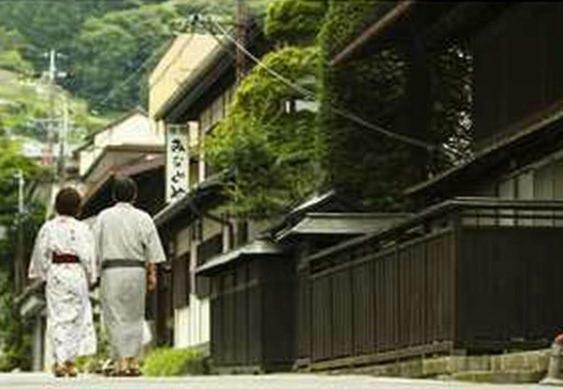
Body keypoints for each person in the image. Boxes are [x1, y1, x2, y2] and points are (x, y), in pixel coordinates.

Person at [95, 175, 165, 376]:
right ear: (134, 195)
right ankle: (132, 362)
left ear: (114, 195)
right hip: (137, 271)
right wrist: (152, 274)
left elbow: (95, 247)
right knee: (135, 316)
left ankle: (121, 363)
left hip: (111, 271)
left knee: (115, 317)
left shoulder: (103, 217)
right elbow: (152, 250)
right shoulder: (144, 217)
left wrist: (93, 272)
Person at [28, 187, 97, 378]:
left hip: (57, 273)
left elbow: (41, 253)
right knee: (76, 317)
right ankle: (71, 362)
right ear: (78, 208)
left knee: (58, 317)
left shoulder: (48, 227)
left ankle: (59, 361)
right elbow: (89, 255)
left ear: (56, 206)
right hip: (77, 274)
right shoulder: (83, 228)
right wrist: (91, 275)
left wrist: (41, 273)